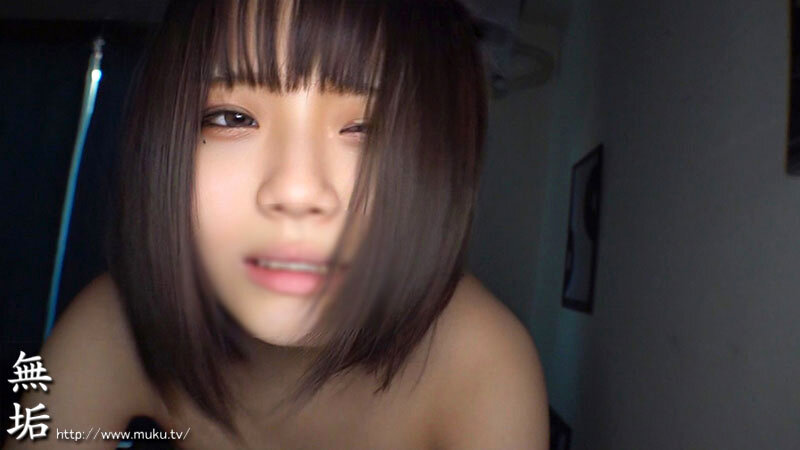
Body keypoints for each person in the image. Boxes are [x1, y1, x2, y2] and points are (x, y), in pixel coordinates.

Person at [9, 0, 548, 448]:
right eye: (232, 118)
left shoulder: (483, 360)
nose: (295, 190)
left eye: (369, 128)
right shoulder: (116, 324)